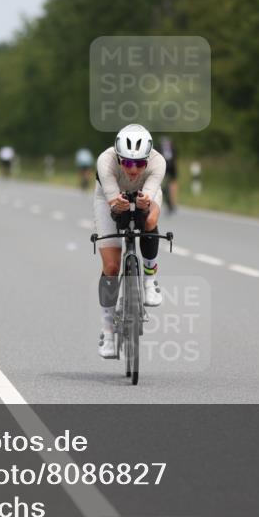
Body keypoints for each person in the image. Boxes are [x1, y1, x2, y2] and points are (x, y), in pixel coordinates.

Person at [94, 124, 166, 359]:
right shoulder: (105, 162)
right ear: (118, 157)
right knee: (111, 267)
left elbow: (149, 199)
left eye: (139, 163)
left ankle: (150, 279)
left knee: (149, 220)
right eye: (126, 163)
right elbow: (116, 210)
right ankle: (107, 330)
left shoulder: (158, 163)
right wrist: (119, 206)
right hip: (110, 198)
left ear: (148, 159)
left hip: (145, 194)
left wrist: (143, 206)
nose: (133, 170)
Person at [159, 136, 178, 214]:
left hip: (169, 168)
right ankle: (170, 201)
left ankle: (171, 202)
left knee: (171, 185)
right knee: (168, 185)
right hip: (166, 168)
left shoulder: (171, 149)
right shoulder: (172, 148)